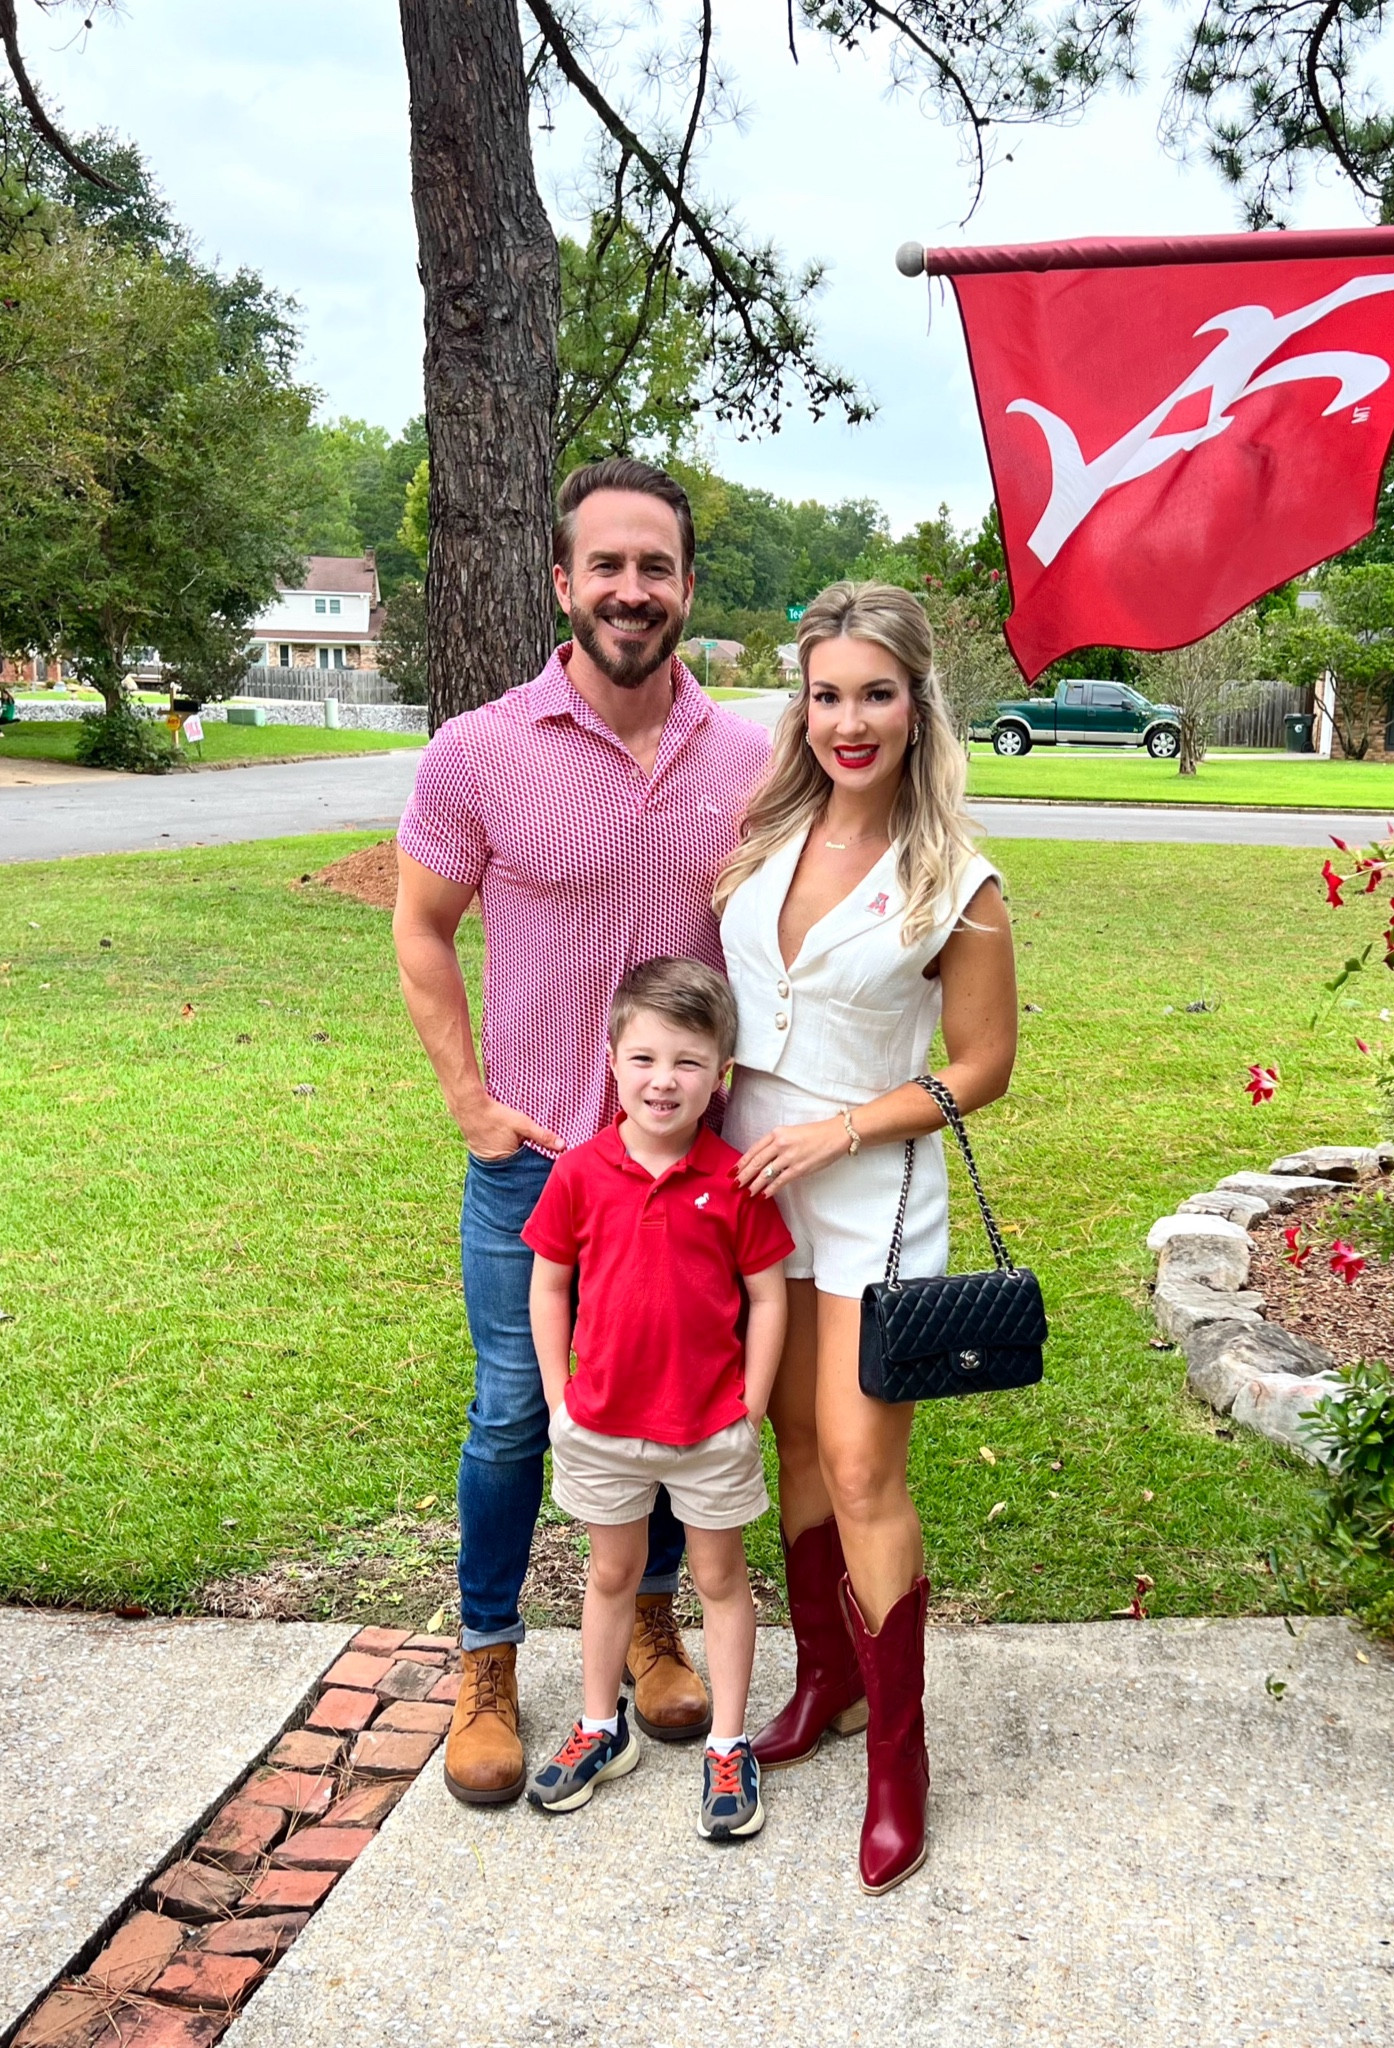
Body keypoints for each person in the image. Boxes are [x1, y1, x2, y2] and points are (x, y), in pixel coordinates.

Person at [392, 457, 771, 1806]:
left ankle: (656, 1623)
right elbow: (422, 928)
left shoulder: (753, 758)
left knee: (677, 1399)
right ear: (563, 582)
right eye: (606, 564)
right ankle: (488, 1662)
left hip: (691, 1174)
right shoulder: (479, 750)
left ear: (687, 588)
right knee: (514, 1416)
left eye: (655, 566)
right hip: (540, 1170)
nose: (631, 588)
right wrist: (471, 1105)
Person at [714, 581, 1018, 1895]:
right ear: (802, 704)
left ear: (917, 703)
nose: (849, 721)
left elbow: (984, 1065)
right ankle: (825, 1681)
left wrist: (840, 1130)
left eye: (875, 694)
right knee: (788, 1439)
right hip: (753, 1187)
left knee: (859, 1464)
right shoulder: (762, 839)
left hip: (871, 1195)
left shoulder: (957, 879)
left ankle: (901, 1757)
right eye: (827, 694)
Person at [521, 959, 794, 1837]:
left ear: (721, 1075)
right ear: (611, 1062)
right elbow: (549, 1285)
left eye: (687, 1061)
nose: (663, 1080)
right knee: (611, 1574)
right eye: (643, 1058)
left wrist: (751, 1404)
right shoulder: (580, 1172)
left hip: (709, 1426)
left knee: (719, 1577)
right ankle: (600, 1728)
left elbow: (767, 1297)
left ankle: (728, 1743)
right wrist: (559, 1397)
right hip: (602, 1422)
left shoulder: (735, 1179)